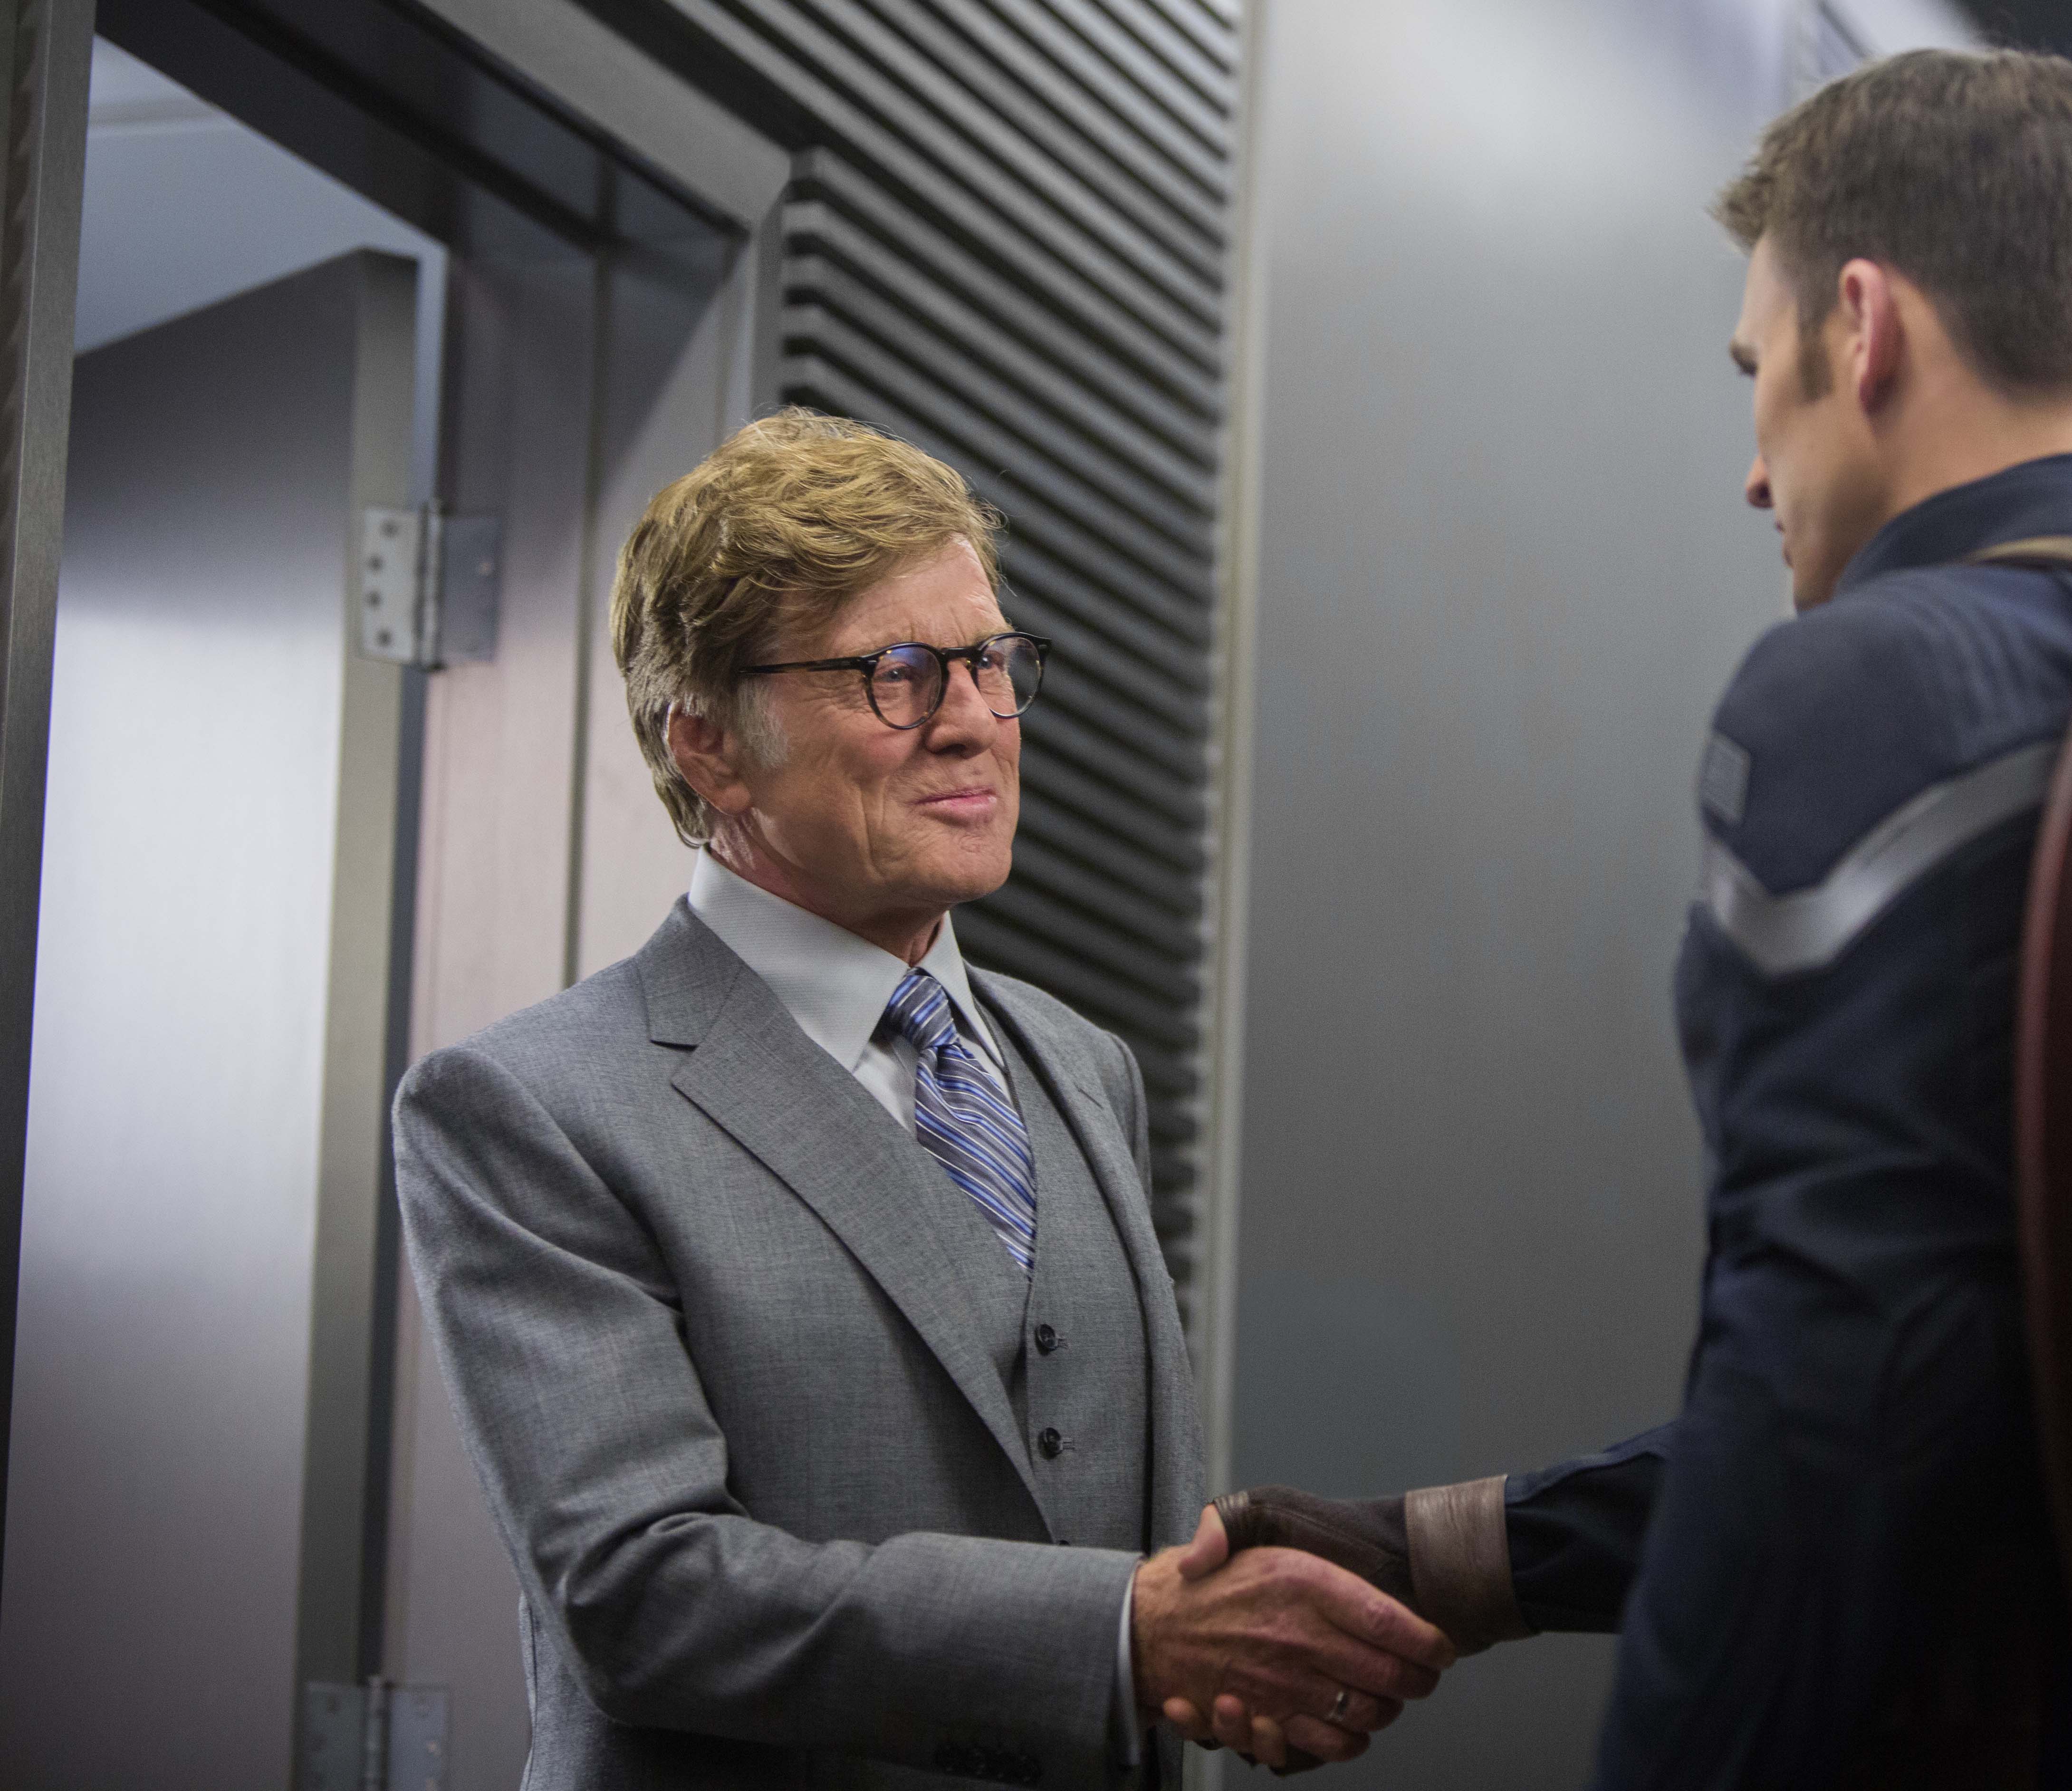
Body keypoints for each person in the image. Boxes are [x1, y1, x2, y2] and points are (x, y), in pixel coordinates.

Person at [1183, 48, 2072, 1787]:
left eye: (1754, 374)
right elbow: (1988, 1390)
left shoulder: (1881, 686)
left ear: (1859, 328)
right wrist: (1439, 1554)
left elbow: (1828, 1406)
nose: (1751, 473)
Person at [393, 412, 1454, 1788]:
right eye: (893, 675)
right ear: (710, 746)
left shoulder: (1083, 1065)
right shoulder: (527, 1109)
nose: (971, 723)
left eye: (991, 663)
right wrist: (1121, 1639)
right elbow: (640, 1597)